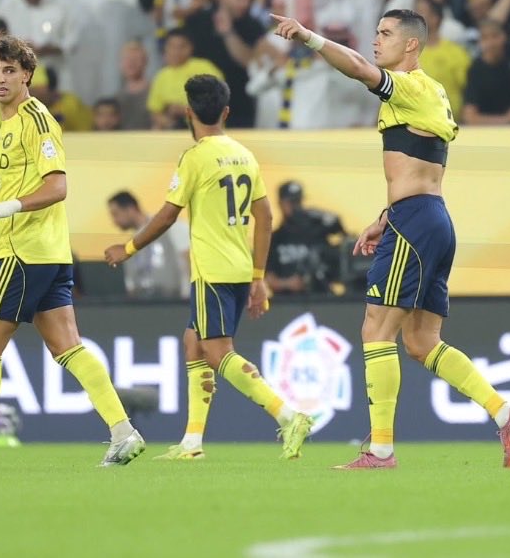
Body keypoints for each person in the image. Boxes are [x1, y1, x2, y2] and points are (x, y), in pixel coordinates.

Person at [272, 8, 510, 470]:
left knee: (376, 329)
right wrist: (384, 216)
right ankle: (507, 413)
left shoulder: (410, 85)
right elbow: (421, 167)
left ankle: (381, 450)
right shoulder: (431, 93)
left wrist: (310, 37)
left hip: (415, 222)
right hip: (428, 217)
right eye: (375, 32)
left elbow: (356, 67)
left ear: (411, 45)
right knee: (421, 341)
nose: (377, 40)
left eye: (386, 34)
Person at [0, 36, 145, 468]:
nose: (0, 79)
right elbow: (19, 185)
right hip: (50, 253)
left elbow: (57, 186)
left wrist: (3, 208)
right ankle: (124, 432)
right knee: (67, 345)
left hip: (21, 251)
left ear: (27, 75)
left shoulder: (36, 120)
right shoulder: (14, 122)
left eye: (9, 71)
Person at [104, 75, 314, 460]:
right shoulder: (245, 155)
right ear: (227, 111)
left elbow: (168, 216)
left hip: (213, 271)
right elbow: (264, 217)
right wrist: (258, 278)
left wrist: (129, 247)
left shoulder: (194, 158)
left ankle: (288, 416)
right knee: (193, 343)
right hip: (238, 266)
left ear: (188, 112)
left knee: (218, 353)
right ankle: (192, 443)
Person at [106, 191, 190, 300]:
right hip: (148, 308)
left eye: (116, 214)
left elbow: (189, 260)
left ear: (130, 209)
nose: (114, 221)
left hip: (179, 305)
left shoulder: (172, 228)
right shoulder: (130, 244)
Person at [265, 181, 345, 295]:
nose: (296, 207)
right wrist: (288, 283)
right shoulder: (275, 238)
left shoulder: (316, 232)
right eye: (292, 202)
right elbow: (268, 278)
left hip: (318, 299)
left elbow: (337, 227)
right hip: (286, 302)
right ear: (281, 203)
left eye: (298, 202)